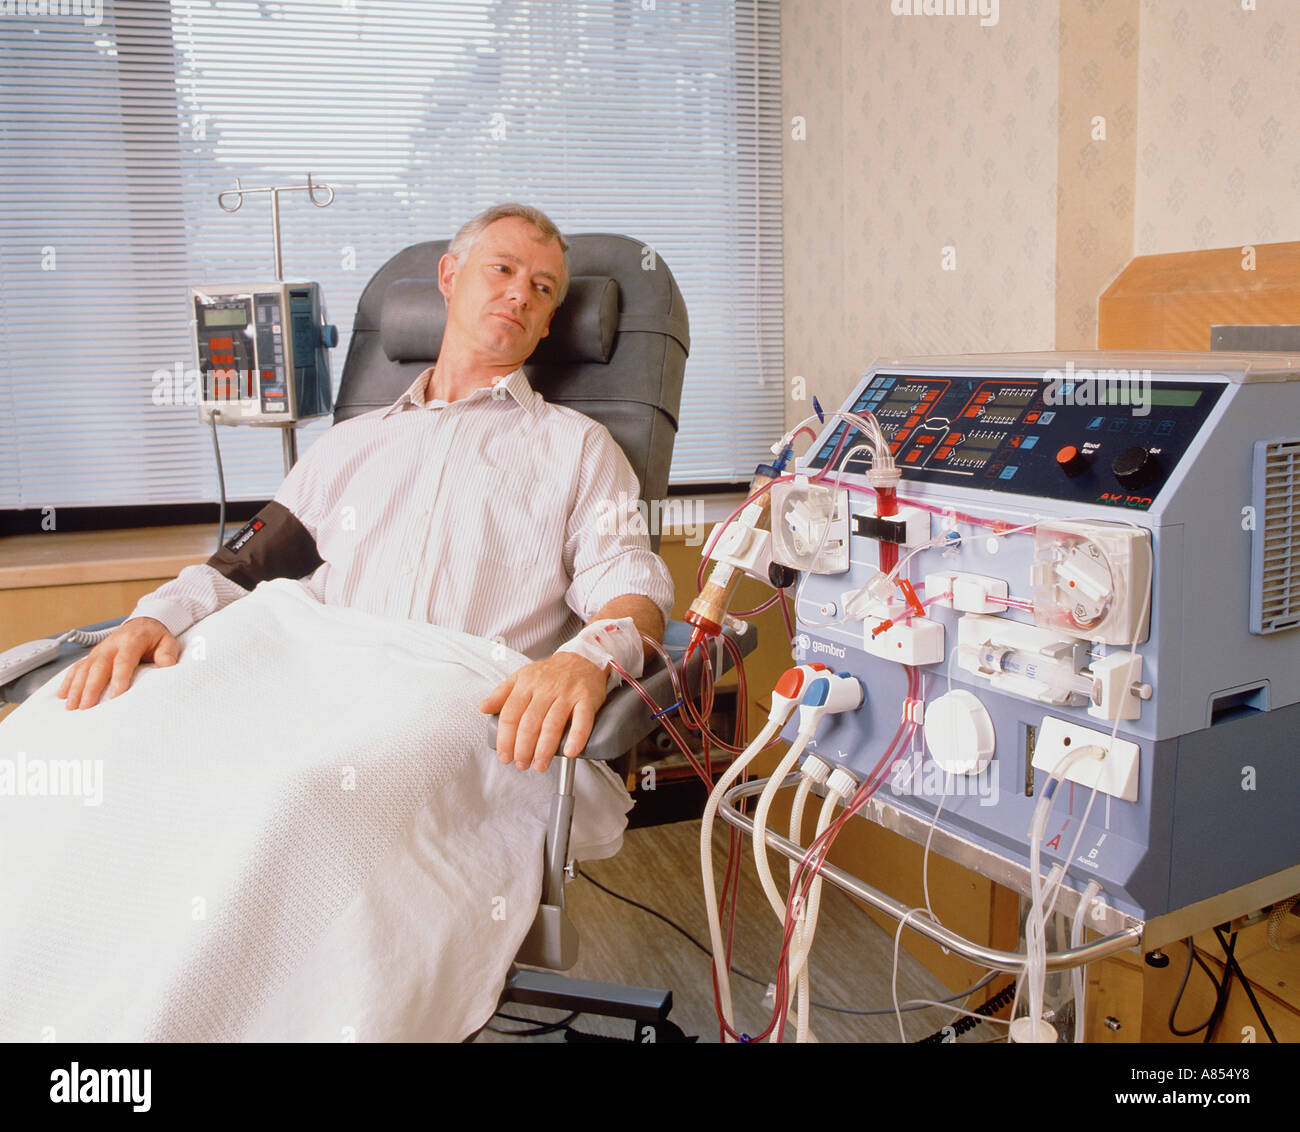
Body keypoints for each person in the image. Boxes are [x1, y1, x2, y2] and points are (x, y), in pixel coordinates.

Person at [56, 203, 673, 774]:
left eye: (542, 289)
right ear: (450, 277)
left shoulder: (578, 448)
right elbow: (241, 567)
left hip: (455, 716)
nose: (519, 292)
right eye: (502, 269)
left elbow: (629, 587)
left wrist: (587, 659)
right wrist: (153, 616)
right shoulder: (348, 445)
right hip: (310, 692)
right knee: (108, 750)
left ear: (547, 325)